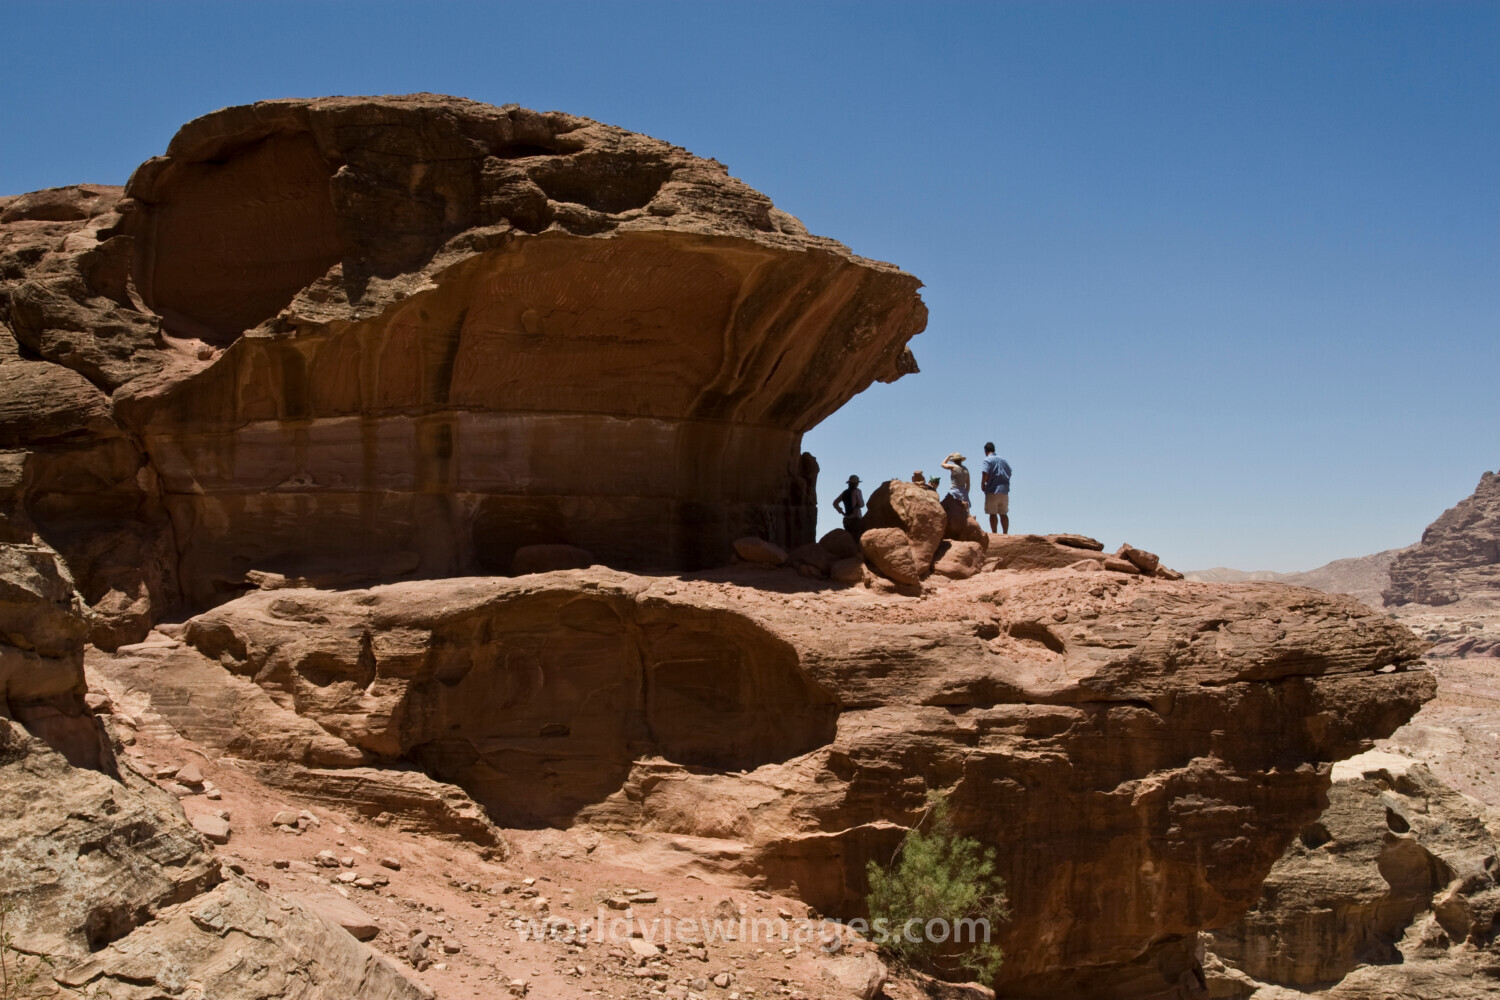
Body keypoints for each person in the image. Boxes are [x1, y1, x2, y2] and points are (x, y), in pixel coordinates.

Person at [980, 441, 1012, 534]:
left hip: (992, 490)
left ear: (985, 451)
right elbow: (1010, 472)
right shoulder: (1003, 460)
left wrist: (983, 484)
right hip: (1004, 490)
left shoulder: (987, 460)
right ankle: (1005, 533)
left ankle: (995, 534)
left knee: (992, 513)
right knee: (1003, 513)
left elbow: (985, 472)